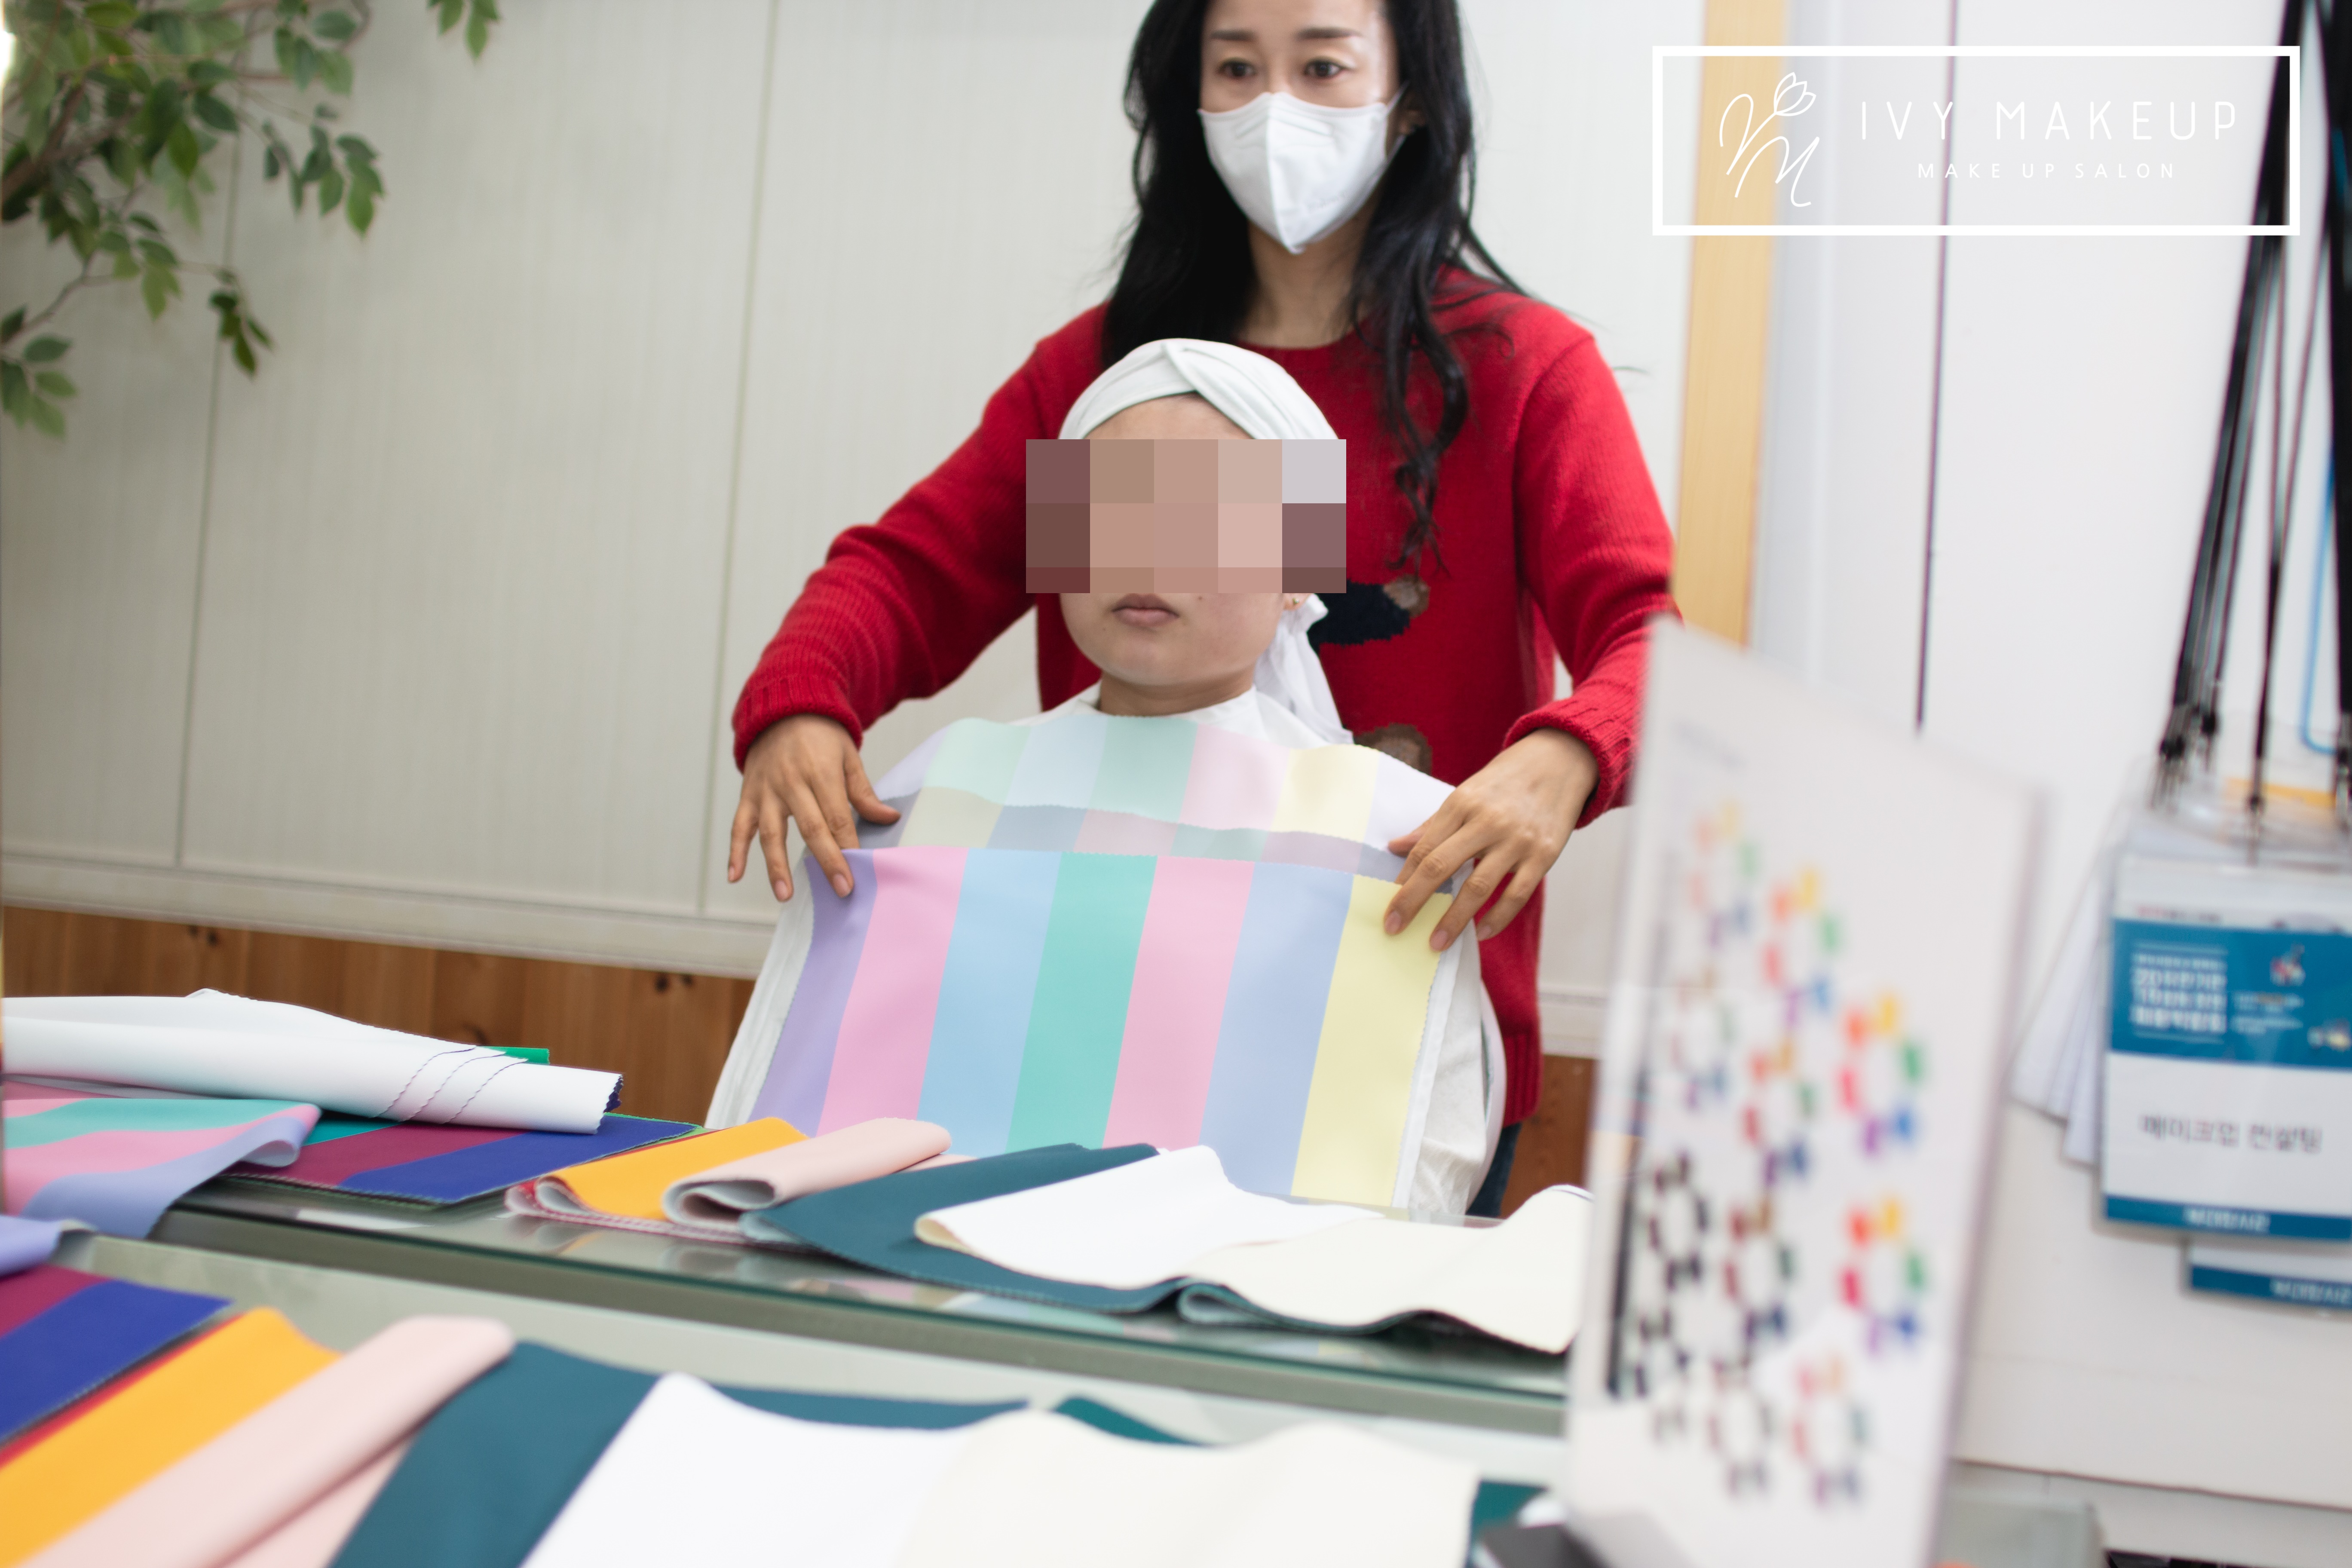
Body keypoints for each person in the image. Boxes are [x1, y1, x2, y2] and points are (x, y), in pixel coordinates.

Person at [725, 0, 1676, 1216]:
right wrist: (802, 704)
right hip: (1090, 1024)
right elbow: (908, 574)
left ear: (1411, 101)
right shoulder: (1101, 378)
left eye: (1322, 65)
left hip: (1395, 1020)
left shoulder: (1520, 370)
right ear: (1190, 96)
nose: (1275, 105)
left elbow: (1647, 638)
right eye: (1236, 67)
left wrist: (1566, 757)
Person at [711, 342, 1502, 1212]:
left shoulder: (1392, 835)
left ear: (1297, 570)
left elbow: (1424, 1158)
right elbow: (776, 1095)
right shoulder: (923, 797)